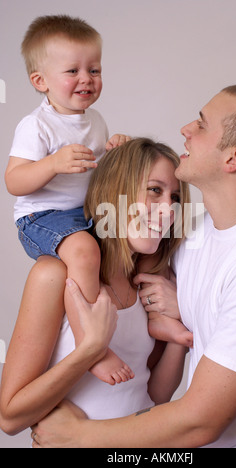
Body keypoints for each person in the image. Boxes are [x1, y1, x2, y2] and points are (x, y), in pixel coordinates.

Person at [29, 84, 236, 448]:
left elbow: (199, 422)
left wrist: (78, 436)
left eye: (202, 125)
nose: (186, 128)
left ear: (233, 159)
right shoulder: (190, 238)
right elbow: (121, 206)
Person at [0, 137, 191, 438]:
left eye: (176, 198)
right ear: (116, 192)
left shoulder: (151, 281)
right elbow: (10, 418)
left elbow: (153, 396)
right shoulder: (54, 276)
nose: (169, 210)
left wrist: (181, 332)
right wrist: (90, 350)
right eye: (155, 190)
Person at [4, 15, 131, 383]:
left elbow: (94, 170)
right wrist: (51, 163)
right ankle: (90, 346)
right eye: (72, 70)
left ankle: (155, 320)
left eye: (94, 69)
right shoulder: (36, 125)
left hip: (84, 213)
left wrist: (112, 151)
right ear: (40, 81)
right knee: (84, 252)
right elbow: (14, 180)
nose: (86, 79)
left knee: (131, 241)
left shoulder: (95, 120)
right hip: (42, 217)